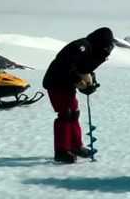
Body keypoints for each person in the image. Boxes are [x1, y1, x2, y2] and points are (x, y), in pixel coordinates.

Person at [42, 27, 114, 164]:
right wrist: (76, 79)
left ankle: (75, 146)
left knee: (73, 113)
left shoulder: (91, 49)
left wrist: (90, 80)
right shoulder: (81, 47)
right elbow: (65, 63)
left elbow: (85, 68)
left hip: (67, 84)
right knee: (65, 115)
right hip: (56, 82)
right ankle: (62, 151)